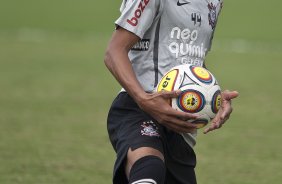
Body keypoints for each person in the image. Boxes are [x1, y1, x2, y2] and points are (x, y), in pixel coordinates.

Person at [104, 0, 239, 183]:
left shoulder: (214, 2)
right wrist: (143, 99)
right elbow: (114, 51)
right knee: (149, 167)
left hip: (180, 122)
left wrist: (211, 97)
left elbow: (192, 61)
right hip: (138, 106)